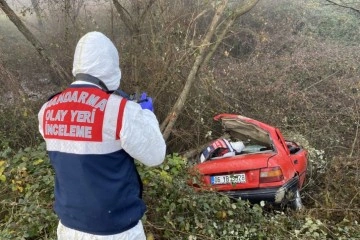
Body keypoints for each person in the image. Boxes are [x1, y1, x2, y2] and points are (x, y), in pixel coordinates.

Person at [38, 31, 166, 240]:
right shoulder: (120, 110)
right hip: (116, 230)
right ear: (110, 65)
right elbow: (156, 156)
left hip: (68, 228)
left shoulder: (47, 109)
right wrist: (146, 115)